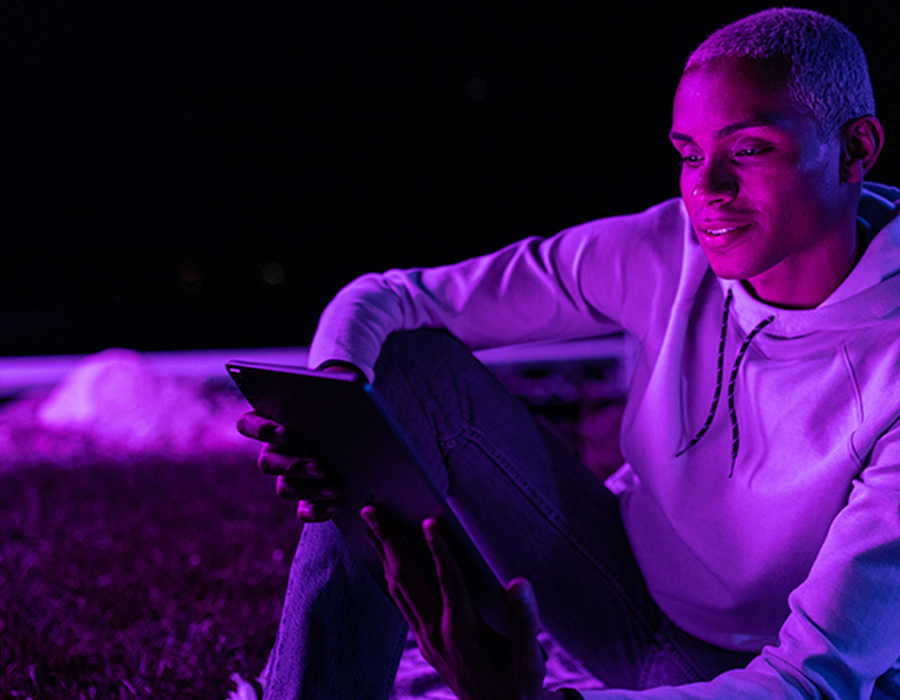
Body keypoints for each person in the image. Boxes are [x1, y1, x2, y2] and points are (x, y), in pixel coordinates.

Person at [238, 7, 900, 699]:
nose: (706, 190)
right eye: (690, 154)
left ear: (855, 149)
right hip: (622, 600)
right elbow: (389, 297)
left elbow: (812, 681)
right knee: (399, 371)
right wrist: (339, 416)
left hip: (763, 677)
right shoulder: (668, 249)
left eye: (750, 150)